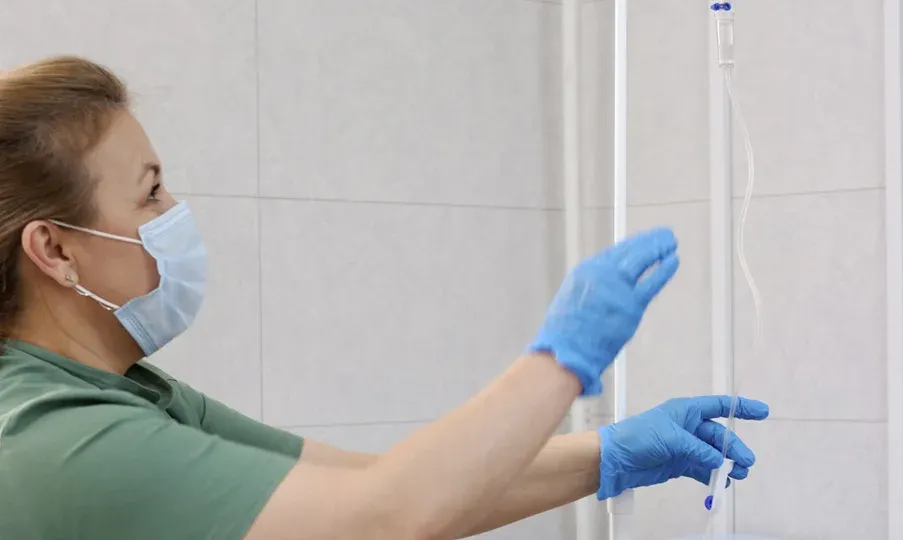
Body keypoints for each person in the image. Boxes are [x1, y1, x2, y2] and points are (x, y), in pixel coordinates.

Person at [0, 56, 768, 540]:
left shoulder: (132, 391)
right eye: (150, 193)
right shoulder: (53, 440)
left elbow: (384, 485)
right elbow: (384, 517)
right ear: (55, 250)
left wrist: (608, 454)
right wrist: (561, 359)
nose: (175, 214)